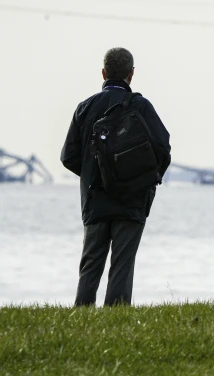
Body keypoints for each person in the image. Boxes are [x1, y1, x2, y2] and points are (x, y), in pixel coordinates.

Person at [61, 47, 171, 306]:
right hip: (132, 199)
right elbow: (163, 148)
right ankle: (116, 319)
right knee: (122, 265)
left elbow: (68, 156)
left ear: (103, 73)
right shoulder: (141, 106)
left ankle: (82, 318)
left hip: (95, 198)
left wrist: (95, 173)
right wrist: (145, 178)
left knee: (90, 266)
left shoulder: (85, 108)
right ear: (131, 75)